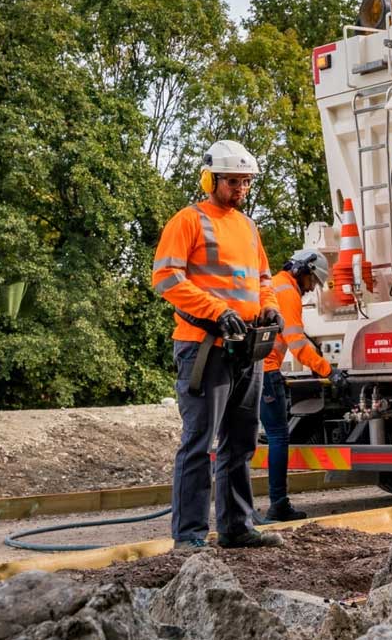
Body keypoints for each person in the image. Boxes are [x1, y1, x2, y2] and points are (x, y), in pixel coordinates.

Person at [151, 139, 285, 550]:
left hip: (247, 349)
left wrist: (270, 308)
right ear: (210, 179)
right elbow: (166, 279)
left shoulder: (247, 227)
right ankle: (189, 535)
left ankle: (236, 527)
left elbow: (263, 279)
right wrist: (214, 310)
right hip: (204, 347)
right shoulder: (188, 221)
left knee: (242, 441)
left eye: (245, 182)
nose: (240, 189)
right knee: (199, 442)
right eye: (232, 181)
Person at [257, 250, 345, 522]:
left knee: (256, 438)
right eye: (312, 282)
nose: (311, 289)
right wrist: (329, 370)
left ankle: (258, 504)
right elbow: (297, 346)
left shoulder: (276, 284)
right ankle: (279, 504)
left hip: (259, 370)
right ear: (303, 271)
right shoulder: (288, 293)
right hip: (267, 371)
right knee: (278, 438)